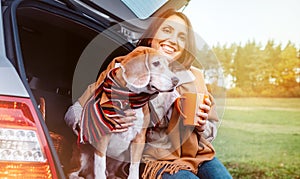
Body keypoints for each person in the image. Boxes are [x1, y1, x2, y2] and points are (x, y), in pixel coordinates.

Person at [65, 8, 232, 179]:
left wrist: (202, 126)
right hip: (157, 159)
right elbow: (73, 114)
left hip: (197, 155)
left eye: (182, 37)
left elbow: (210, 129)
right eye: (167, 30)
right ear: (152, 34)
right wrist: (99, 117)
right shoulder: (123, 67)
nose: (173, 40)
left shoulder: (195, 77)